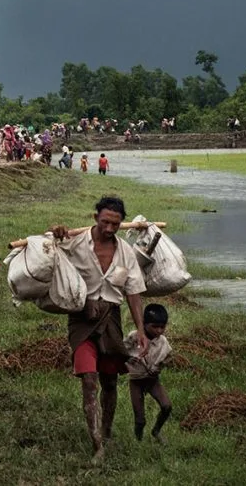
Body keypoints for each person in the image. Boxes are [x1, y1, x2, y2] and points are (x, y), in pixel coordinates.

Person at [50, 196, 150, 463]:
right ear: (95, 218)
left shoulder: (125, 252)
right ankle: (97, 445)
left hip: (112, 321)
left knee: (109, 381)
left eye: (115, 224)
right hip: (82, 321)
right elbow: (46, 247)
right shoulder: (75, 242)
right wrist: (56, 233)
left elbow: (134, 292)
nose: (109, 229)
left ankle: (106, 430)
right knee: (88, 380)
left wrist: (140, 329)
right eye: (105, 222)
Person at [125, 303, 174, 444]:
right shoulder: (134, 337)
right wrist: (129, 358)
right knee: (140, 419)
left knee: (167, 406)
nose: (159, 330)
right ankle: (138, 442)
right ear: (144, 324)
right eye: (155, 326)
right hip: (136, 381)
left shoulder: (163, 342)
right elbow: (123, 350)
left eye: (162, 327)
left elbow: (167, 357)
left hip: (152, 380)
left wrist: (160, 366)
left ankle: (156, 430)